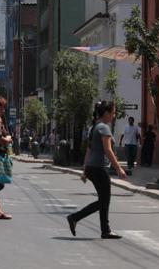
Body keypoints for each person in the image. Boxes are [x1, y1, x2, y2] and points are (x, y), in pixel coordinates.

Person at [67, 101, 126, 239]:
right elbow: (108, 150)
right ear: (106, 113)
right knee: (104, 200)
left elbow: (89, 150)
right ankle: (75, 217)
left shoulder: (93, 128)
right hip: (99, 168)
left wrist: (85, 170)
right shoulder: (104, 128)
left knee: (103, 199)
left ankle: (105, 230)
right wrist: (118, 168)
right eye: (113, 112)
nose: (114, 115)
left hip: (92, 168)